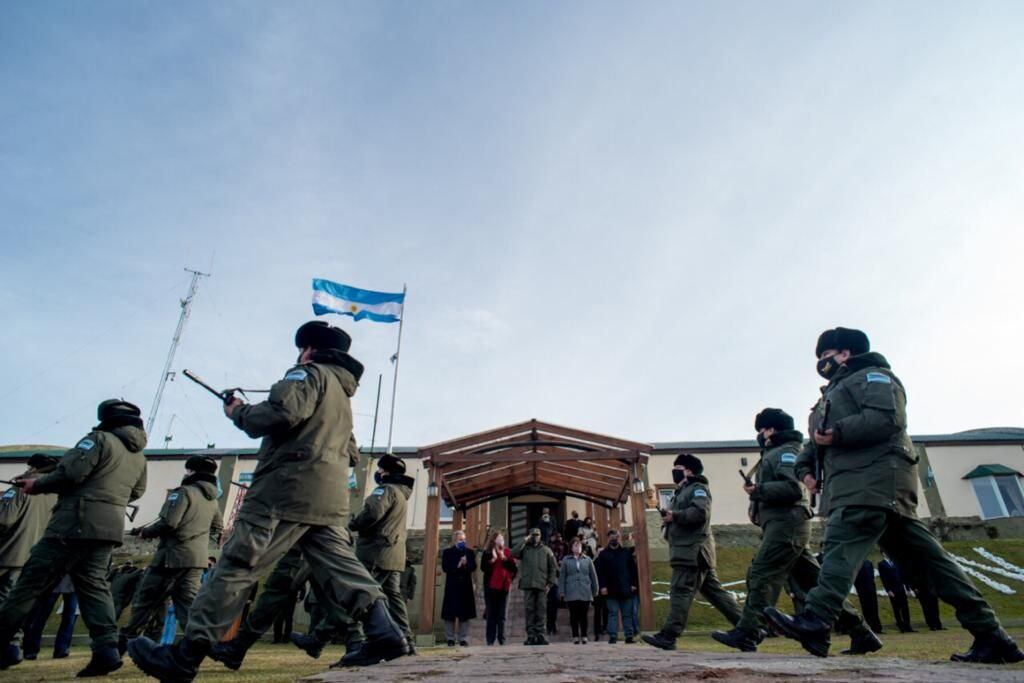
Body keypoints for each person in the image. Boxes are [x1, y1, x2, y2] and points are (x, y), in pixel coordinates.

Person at [128, 321, 406, 680]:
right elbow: (351, 453)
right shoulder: (342, 398)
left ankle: (185, 656)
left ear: (309, 349)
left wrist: (239, 411)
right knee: (343, 569)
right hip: (328, 499)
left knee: (238, 565)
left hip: (284, 492)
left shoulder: (307, 373)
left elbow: (281, 413)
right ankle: (385, 632)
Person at [766, 327, 1023, 664]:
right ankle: (992, 636)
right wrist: (807, 472)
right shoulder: (830, 395)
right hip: (862, 486)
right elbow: (811, 447)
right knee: (932, 565)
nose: (822, 364)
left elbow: (887, 419)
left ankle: (816, 619)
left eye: (826, 356)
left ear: (844, 353)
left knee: (840, 546)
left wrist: (837, 433)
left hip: (872, 482)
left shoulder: (875, 377)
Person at [713, 408, 880, 655]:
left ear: (771, 429)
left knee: (762, 573)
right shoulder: (775, 453)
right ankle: (861, 633)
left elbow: (793, 488)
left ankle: (748, 631)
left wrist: (758, 491)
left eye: (762, 429)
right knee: (815, 583)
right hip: (784, 524)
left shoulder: (786, 452)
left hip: (787, 524)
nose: (760, 434)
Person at [0, 399, 147, 676]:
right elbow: (137, 491)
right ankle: (106, 649)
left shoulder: (97, 439)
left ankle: (4, 642)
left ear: (105, 417)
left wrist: (37, 484)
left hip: (73, 523)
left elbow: (71, 473)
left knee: (31, 582)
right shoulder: (139, 456)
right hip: (108, 528)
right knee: (94, 587)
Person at [213, 439, 366, 671]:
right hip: (322, 526)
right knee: (330, 596)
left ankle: (237, 649)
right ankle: (352, 643)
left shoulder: (320, 439)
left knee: (277, 591)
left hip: (308, 527)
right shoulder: (337, 438)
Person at [119, 455, 224, 653]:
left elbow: (169, 523)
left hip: (170, 558)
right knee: (188, 608)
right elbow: (218, 526)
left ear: (191, 471)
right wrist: (198, 541)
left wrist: (145, 532)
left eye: (187, 470)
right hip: (196, 560)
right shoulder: (213, 500)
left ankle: (123, 645)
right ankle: (203, 647)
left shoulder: (183, 492)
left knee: (145, 601)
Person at [643, 454, 742, 651]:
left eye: (678, 467)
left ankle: (669, 635)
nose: (674, 471)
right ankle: (750, 629)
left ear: (688, 470)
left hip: (692, 553)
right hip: (690, 552)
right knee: (717, 595)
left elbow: (700, 513)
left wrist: (675, 516)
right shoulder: (683, 491)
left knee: (680, 591)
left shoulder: (698, 489)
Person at [348, 453, 416, 654]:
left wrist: (354, 523)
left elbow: (372, 514)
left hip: (376, 552)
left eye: (380, 469)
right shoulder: (402, 494)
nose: (378, 473)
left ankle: (356, 640)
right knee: (394, 598)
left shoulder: (385, 490)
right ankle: (407, 641)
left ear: (385, 471)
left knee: (362, 593)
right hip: (394, 554)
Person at [0, 454, 59, 664]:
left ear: (33, 468)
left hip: (8, 553)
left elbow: (4, 520)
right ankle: (13, 647)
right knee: (18, 604)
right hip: (35, 556)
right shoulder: (55, 494)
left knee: (4, 600)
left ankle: (8, 648)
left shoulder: (19, 488)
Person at [513, 527, 557, 646]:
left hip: (542, 585)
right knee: (529, 611)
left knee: (541, 611)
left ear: (541, 536)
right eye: (533, 535)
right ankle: (531, 636)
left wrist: (550, 583)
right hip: (528, 584)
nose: (535, 537)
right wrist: (524, 540)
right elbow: (513, 552)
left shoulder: (547, 550)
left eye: (537, 535)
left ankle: (541, 635)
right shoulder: (525, 549)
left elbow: (553, 568)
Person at [594, 529, 638, 644]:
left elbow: (633, 570)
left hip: (625, 588)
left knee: (627, 614)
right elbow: (600, 572)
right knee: (612, 613)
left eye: (616, 537)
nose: (614, 539)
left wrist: (633, 584)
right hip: (610, 590)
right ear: (608, 538)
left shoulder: (626, 552)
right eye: (612, 537)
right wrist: (602, 586)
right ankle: (612, 636)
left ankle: (629, 636)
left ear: (619, 538)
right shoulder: (603, 554)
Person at [22, 575, 77, 660]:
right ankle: (31, 650)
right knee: (41, 615)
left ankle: (62, 649)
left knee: (69, 615)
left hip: (72, 580)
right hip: (53, 578)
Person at [559, 536, 599, 644]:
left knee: (584, 615)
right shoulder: (566, 560)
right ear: (571, 547)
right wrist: (561, 590)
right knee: (573, 615)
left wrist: (595, 589)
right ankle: (575, 636)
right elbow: (562, 576)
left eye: (579, 545)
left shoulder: (588, 559)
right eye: (575, 545)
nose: (578, 548)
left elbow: (593, 576)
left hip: (585, 590)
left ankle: (584, 636)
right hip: (571, 591)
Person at [480, 530, 516, 646]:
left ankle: (502, 639)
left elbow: (514, 569)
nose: (501, 540)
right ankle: (490, 640)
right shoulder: (487, 552)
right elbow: (483, 568)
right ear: (494, 540)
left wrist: (504, 558)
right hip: (490, 587)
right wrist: (493, 560)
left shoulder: (507, 552)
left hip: (504, 588)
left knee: (502, 615)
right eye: (499, 538)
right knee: (491, 614)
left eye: (502, 538)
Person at [440, 530, 476, 646]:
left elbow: (474, 567)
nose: (463, 542)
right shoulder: (447, 552)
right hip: (452, 586)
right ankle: (450, 638)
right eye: (461, 540)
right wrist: (458, 565)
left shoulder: (469, 552)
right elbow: (445, 568)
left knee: (464, 614)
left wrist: (466, 564)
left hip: (465, 587)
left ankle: (463, 638)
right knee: (449, 614)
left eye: (464, 539)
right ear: (455, 540)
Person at [853, 560, 884, 633]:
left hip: (871, 588)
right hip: (862, 589)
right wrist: (858, 587)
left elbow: (872, 575)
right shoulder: (855, 563)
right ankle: (870, 627)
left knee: (874, 608)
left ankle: (877, 627)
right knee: (866, 609)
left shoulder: (869, 562)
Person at [546, 531, 566, 635]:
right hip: (550, 578)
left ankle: (553, 623)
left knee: (555, 602)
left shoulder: (564, 547)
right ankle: (550, 624)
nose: (558, 539)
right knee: (549, 603)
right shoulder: (548, 548)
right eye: (556, 537)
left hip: (557, 577)